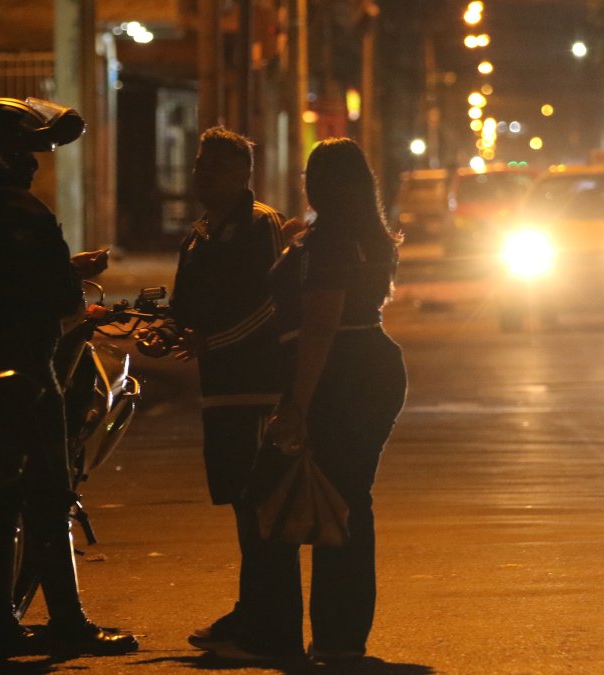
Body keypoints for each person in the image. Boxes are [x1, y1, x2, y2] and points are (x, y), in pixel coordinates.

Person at [0, 97, 137, 663]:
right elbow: (62, 301)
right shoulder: (25, 212)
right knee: (46, 495)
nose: (36, 163)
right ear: (5, 153)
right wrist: (70, 277)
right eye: (28, 150)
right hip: (33, 366)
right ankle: (64, 623)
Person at [138, 127, 295, 660]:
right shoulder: (199, 234)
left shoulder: (261, 225)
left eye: (213, 165)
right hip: (219, 393)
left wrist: (213, 342)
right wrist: (163, 334)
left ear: (241, 174)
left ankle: (267, 625)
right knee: (239, 506)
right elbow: (186, 312)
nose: (200, 173)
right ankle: (250, 613)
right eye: (199, 163)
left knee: (261, 510)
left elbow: (273, 304)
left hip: (256, 389)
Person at [262, 137, 408, 664]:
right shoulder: (365, 236)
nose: (307, 183)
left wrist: (297, 403)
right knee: (349, 499)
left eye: (312, 174)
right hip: (374, 366)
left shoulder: (328, 243)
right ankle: (339, 634)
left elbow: (320, 326)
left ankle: (323, 633)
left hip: (340, 372)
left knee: (332, 501)